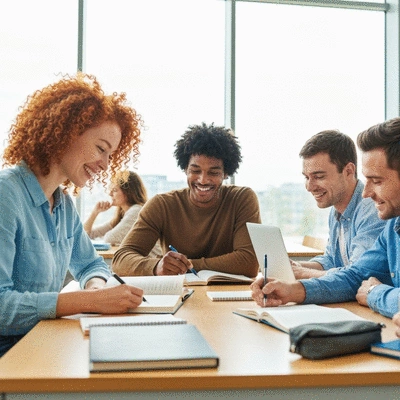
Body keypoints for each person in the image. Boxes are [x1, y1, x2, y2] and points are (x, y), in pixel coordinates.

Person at [0, 73, 145, 357]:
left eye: (110, 155)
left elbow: (91, 264)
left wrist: (95, 289)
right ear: (65, 133)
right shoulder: (7, 196)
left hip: (42, 347)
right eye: (100, 149)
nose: (105, 165)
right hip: (11, 361)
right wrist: (89, 302)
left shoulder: (63, 205)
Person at [251, 117, 400, 319]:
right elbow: (356, 276)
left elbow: (364, 284)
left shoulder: (374, 211)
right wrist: (291, 290)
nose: (366, 192)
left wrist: (376, 293)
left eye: (376, 181)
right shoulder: (392, 226)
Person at [112, 122, 261, 277]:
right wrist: (157, 266)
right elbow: (120, 261)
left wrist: (185, 265)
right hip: (179, 294)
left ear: (225, 173)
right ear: (185, 169)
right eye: (195, 171)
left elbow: (248, 262)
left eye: (213, 173)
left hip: (228, 297)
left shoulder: (242, 199)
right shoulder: (162, 205)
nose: (203, 180)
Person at [292, 130, 386, 279]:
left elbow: (359, 275)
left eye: (319, 177)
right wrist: (295, 267)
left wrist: (303, 273)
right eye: (306, 177)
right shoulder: (337, 210)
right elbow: (331, 260)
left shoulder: (371, 209)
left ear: (348, 171)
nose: (309, 187)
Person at [83, 170, 162, 256]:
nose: (110, 194)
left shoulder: (136, 211)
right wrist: (95, 213)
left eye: (114, 190)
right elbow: (87, 235)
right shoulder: (123, 215)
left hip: (151, 264)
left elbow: (110, 238)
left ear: (128, 192)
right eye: (110, 190)